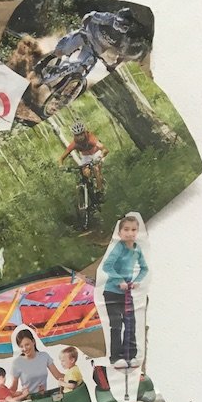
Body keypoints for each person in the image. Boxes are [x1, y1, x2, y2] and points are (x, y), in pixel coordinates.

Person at [100, 214, 149, 369]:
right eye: (126, 229)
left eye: (133, 230)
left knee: (130, 323)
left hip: (126, 294)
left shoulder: (137, 249)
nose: (130, 233)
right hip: (112, 293)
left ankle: (131, 355)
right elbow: (107, 266)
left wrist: (137, 281)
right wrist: (119, 280)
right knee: (116, 324)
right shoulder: (119, 248)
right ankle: (116, 357)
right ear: (120, 232)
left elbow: (144, 268)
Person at [5, 328, 64, 398]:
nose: (24, 349)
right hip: (28, 400)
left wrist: (73, 375)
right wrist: (2, 392)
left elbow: (58, 375)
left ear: (33, 342)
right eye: (21, 346)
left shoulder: (44, 356)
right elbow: (13, 388)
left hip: (43, 397)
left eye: (27, 344)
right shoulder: (17, 363)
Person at [58, 121, 109, 192]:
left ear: (84, 132)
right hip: (86, 156)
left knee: (96, 169)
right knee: (85, 173)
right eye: (77, 135)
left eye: (81, 134)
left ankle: (100, 190)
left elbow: (105, 150)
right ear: (74, 135)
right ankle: (90, 188)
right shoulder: (74, 144)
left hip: (96, 153)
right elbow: (61, 158)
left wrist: (100, 156)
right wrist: (61, 166)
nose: (80, 137)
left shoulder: (91, 138)